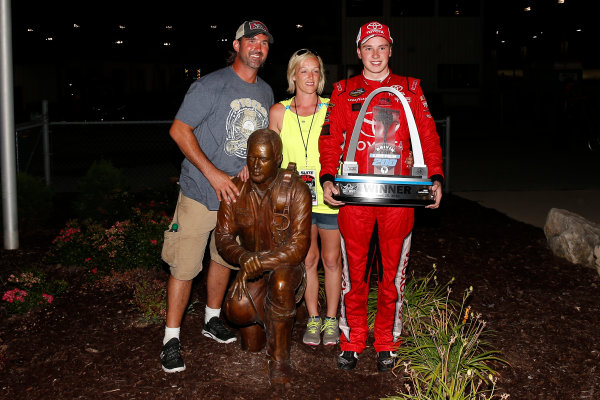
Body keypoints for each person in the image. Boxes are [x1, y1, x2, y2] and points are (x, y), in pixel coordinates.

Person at [318, 21, 444, 372]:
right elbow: (330, 141)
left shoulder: (410, 88)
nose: (375, 55)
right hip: (355, 200)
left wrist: (434, 177)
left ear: (391, 50)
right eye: (368, 48)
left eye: (382, 47)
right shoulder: (343, 91)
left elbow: (429, 137)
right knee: (353, 275)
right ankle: (352, 339)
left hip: (400, 200)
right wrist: (329, 179)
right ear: (358, 52)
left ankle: (387, 341)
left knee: (392, 277)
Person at [159, 20, 275, 373]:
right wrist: (214, 174)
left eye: (264, 42)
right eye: (251, 40)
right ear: (237, 46)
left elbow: (259, 141)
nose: (258, 46)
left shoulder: (266, 93)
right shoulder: (209, 85)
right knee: (185, 265)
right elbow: (179, 131)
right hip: (199, 191)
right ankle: (171, 339)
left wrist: (246, 168)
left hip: (237, 196)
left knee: (223, 258)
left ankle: (211, 319)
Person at [215, 129, 312, 385]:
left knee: (280, 284)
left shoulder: (296, 191)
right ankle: (274, 319)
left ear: (278, 159)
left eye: (264, 159)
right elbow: (223, 238)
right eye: (251, 157)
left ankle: (280, 360)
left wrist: (257, 262)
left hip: (285, 267)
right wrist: (244, 257)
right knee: (237, 312)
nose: (255, 165)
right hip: (252, 267)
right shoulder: (235, 190)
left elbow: (297, 248)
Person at [268, 49, 342, 347]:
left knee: (332, 260)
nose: (310, 76)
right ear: (293, 75)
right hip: (297, 201)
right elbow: (271, 159)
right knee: (309, 260)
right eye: (304, 70)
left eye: (315, 71)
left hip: (329, 197)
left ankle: (332, 319)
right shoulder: (279, 112)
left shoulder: (333, 108)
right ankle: (312, 318)